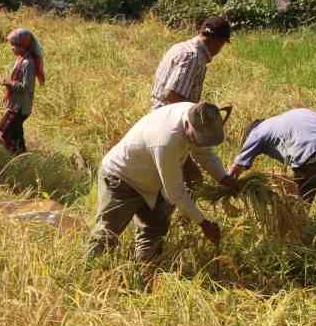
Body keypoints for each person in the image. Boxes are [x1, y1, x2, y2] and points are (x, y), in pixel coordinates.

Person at [86, 101, 233, 265]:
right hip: (122, 178)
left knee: (155, 228)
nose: (198, 144)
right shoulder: (166, 140)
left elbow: (204, 153)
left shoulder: (200, 115)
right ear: (187, 125)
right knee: (107, 233)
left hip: (153, 178)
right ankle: (88, 271)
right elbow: (176, 192)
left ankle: (146, 270)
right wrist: (203, 223)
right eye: (197, 140)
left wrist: (224, 178)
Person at [230, 108, 316, 209]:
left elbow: (237, 167)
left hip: (312, 155)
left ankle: (303, 239)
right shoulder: (297, 114)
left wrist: (227, 186)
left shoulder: (257, 132)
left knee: (299, 208)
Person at [151, 15, 232, 109]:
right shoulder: (193, 56)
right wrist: (198, 112)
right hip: (169, 119)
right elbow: (172, 95)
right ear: (219, 42)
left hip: (158, 114)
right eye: (222, 44)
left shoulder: (181, 47)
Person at [0, 27, 44, 155]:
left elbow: (26, 87)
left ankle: (14, 158)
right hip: (17, 105)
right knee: (17, 136)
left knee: (3, 133)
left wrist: (8, 83)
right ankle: (23, 158)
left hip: (20, 108)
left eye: (14, 45)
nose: (12, 48)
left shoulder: (28, 63)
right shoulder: (21, 59)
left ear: (22, 46)